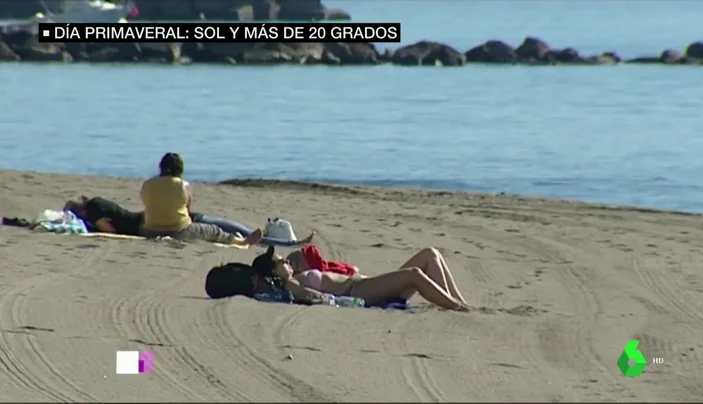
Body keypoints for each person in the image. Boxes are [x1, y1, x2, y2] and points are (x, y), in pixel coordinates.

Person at [251, 245, 472, 312]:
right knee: (414, 274)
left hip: (367, 284)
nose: (284, 262)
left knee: (430, 255)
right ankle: (456, 307)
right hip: (358, 292)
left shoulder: (296, 275)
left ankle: (458, 300)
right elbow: (316, 297)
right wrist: (339, 302)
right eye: (280, 263)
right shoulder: (292, 284)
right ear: (273, 272)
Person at [62, 196, 312, 246]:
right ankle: (268, 240)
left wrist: (93, 226)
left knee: (219, 226)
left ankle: (265, 240)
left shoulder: (95, 214)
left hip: (147, 223)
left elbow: (110, 229)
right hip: (150, 217)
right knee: (222, 223)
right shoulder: (96, 202)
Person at [139, 152, 261, 246]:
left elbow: (146, 204)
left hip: (151, 230)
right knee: (213, 230)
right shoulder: (183, 185)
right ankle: (242, 241)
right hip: (178, 231)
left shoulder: (148, 184)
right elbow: (187, 210)